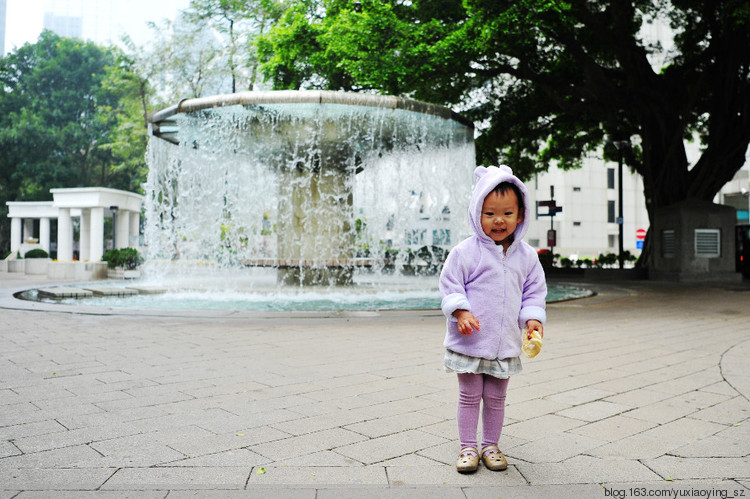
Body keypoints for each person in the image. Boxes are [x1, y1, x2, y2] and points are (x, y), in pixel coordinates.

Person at [439, 165, 547, 473]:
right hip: (471, 341)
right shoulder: (465, 252)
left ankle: (490, 446)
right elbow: (450, 284)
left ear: (520, 215)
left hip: (506, 344)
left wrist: (533, 319)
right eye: (489, 214)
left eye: (507, 213)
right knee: (470, 396)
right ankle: (468, 448)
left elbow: (533, 292)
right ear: (476, 214)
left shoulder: (527, 257)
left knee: (497, 398)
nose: (499, 221)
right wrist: (460, 311)